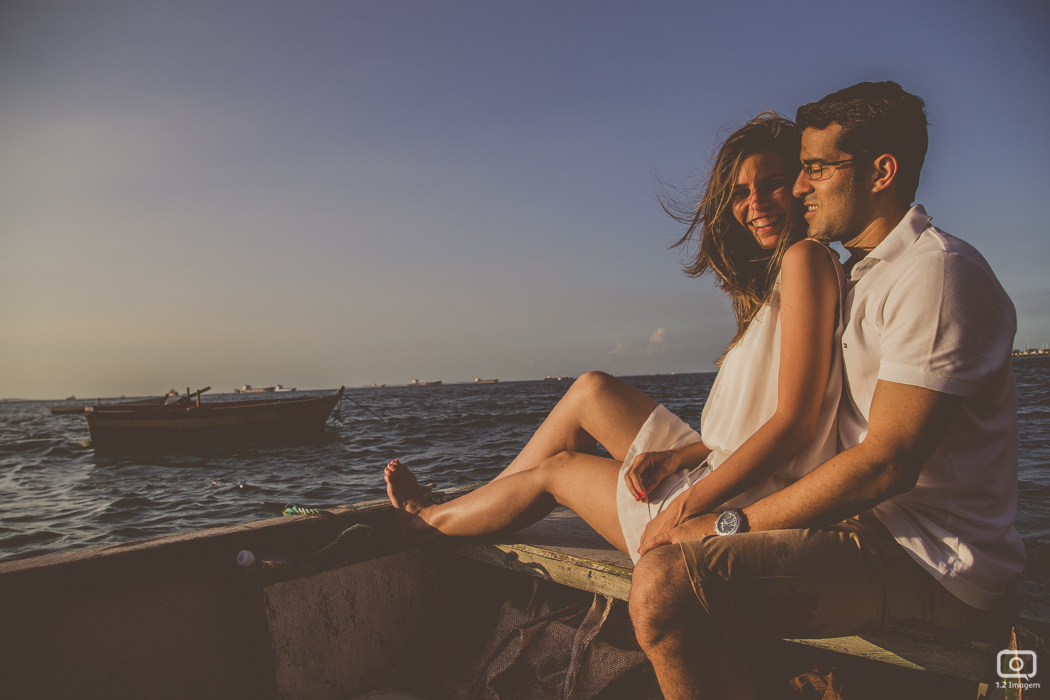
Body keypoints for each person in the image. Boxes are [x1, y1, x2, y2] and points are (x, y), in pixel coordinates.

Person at [628, 82, 1026, 700]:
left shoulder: (936, 275)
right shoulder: (860, 277)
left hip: (933, 562)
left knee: (663, 589)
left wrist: (724, 524)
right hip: (871, 532)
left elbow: (885, 464)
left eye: (815, 168)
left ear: (881, 172)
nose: (800, 186)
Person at [383, 112, 846, 571]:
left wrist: (684, 510)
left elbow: (795, 425)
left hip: (741, 501)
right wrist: (679, 456)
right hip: (721, 468)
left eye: (773, 183)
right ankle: (476, 502)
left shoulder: (804, 259)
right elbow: (755, 423)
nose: (756, 203)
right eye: (741, 193)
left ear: (803, 183)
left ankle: (426, 523)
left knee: (559, 470)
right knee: (592, 390)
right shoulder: (781, 278)